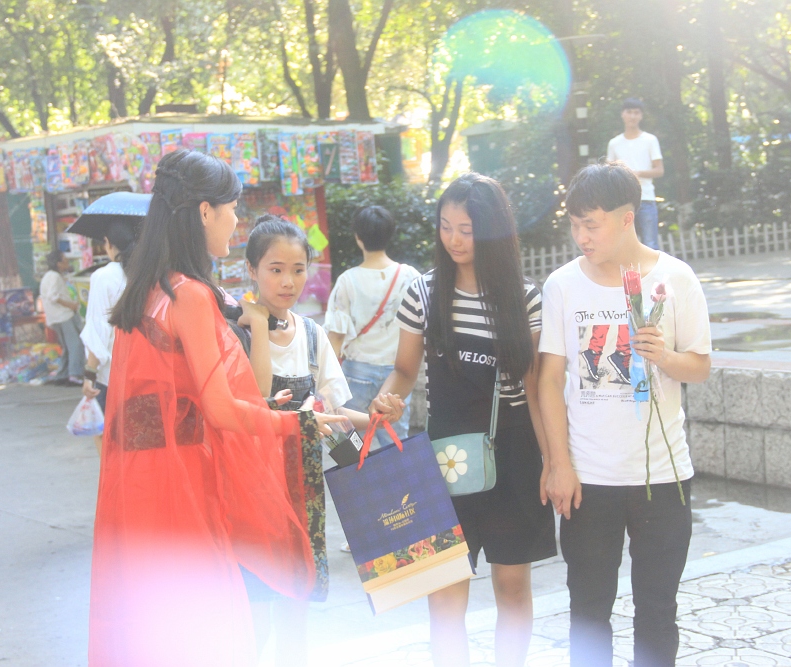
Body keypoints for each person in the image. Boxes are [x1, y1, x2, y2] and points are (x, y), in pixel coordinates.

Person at [90, 149, 343, 667]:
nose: (236, 220)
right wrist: (294, 423)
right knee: (204, 627)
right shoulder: (189, 294)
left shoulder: (149, 290)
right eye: (232, 208)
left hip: (141, 481)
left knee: (154, 621)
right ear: (205, 211)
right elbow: (222, 409)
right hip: (183, 481)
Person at [372, 174, 556, 667]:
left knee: (512, 586)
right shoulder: (423, 292)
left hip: (513, 455)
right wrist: (388, 399)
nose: (453, 239)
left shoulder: (525, 297)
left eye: (467, 229)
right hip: (444, 458)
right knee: (445, 595)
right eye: (445, 226)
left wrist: (553, 461)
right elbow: (404, 370)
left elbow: (536, 387)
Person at [538, 161, 711, 667]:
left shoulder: (674, 278)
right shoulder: (563, 284)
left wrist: (665, 357)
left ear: (627, 217)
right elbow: (549, 379)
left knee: (657, 610)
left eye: (591, 225)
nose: (581, 237)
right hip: (589, 477)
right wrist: (558, 464)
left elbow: (700, 366)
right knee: (588, 611)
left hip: (663, 475)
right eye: (575, 225)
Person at [234, 214, 402, 666]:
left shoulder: (312, 334)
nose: (288, 281)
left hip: (302, 488)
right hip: (250, 488)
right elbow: (256, 400)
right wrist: (257, 326)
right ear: (251, 270)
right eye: (275, 269)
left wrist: (374, 418)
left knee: (296, 602)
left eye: (298, 269)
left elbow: (335, 413)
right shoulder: (235, 332)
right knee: (255, 610)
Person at [325, 205, 420, 442]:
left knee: (352, 444)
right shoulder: (411, 277)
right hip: (399, 374)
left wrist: (325, 382)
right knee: (395, 444)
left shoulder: (347, 281)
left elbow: (335, 337)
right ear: (390, 234)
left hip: (356, 373)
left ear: (358, 237)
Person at [81, 219, 134, 455]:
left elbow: (98, 331)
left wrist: (89, 374)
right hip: (143, 373)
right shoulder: (147, 273)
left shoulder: (103, 277)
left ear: (109, 244)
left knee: (108, 445)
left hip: (111, 377)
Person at [606, 98, 664, 250]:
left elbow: (659, 170)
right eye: (629, 112)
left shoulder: (650, 140)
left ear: (641, 116)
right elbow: (609, 172)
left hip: (646, 198)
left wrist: (637, 173)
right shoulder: (614, 143)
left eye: (636, 113)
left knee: (650, 244)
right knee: (623, 245)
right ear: (623, 114)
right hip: (622, 201)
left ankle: (650, 268)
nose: (632, 116)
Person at [40, 248, 86, 385]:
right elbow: (53, 296)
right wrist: (70, 305)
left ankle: (62, 374)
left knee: (67, 346)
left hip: (55, 317)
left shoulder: (48, 276)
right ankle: (75, 374)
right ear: (58, 263)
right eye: (65, 261)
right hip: (63, 315)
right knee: (76, 344)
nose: (67, 263)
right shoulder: (54, 276)